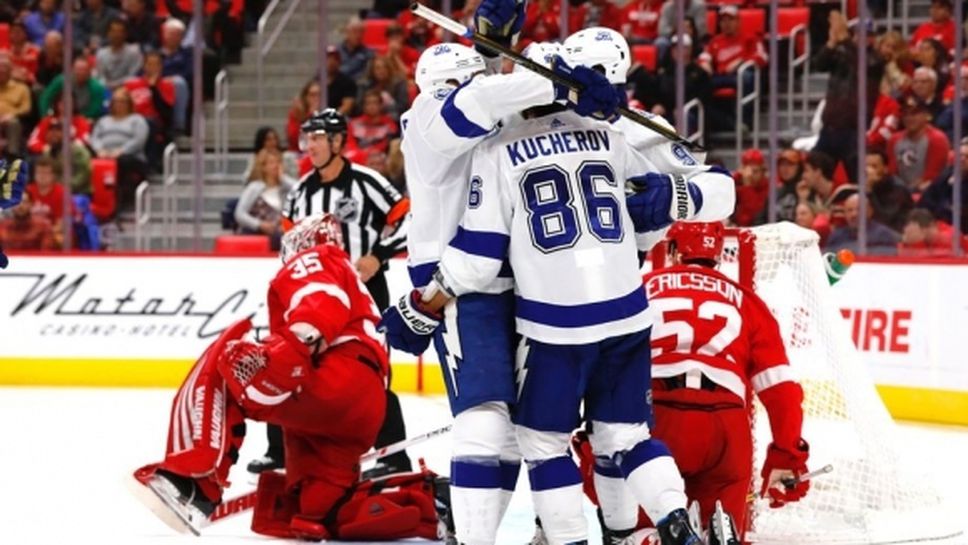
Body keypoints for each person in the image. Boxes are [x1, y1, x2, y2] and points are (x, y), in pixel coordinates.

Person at [380, 38, 733, 543]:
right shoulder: (612, 133)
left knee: (539, 443)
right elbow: (706, 193)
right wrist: (678, 198)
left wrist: (425, 300)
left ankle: (566, 537)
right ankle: (656, 525)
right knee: (622, 437)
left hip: (547, 316)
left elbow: (477, 257)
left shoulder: (502, 145)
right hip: (624, 308)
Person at [381, 19, 624, 541]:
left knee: (522, 430)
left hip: (520, 278)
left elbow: (501, 101)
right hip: (461, 284)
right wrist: (562, 82)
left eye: (470, 78)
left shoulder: (497, 118)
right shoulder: (429, 116)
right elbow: (479, 101)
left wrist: (569, 92)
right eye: (455, 82)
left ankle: (497, 533)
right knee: (485, 417)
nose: (463, 88)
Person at [132, 213, 451, 541]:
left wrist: (291, 348)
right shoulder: (351, 280)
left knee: (228, 366)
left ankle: (193, 483)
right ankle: (435, 503)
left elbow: (320, 303)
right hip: (361, 407)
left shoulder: (318, 258)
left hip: (334, 383)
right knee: (322, 511)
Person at [574, 222, 810, 543]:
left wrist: (595, 438)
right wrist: (786, 455)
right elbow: (781, 390)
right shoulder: (748, 301)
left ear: (672, 250)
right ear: (719, 254)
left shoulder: (640, 287)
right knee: (723, 529)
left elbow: (600, 362)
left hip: (655, 417)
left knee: (636, 523)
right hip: (726, 428)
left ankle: (648, 537)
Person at [249, 109, 412, 480]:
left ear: (338, 141)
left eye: (317, 138)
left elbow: (408, 219)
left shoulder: (368, 182)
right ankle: (280, 452)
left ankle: (393, 456)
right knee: (291, 362)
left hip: (363, 293)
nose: (310, 145)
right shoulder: (301, 191)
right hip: (314, 297)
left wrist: (378, 255)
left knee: (371, 371)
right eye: (307, 138)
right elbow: (288, 246)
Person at [234, 149, 296, 249]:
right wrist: (260, 224)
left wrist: (283, 178)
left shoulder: (285, 188)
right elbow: (239, 214)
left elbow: (301, 190)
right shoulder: (254, 187)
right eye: (271, 163)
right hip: (255, 231)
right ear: (263, 167)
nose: (276, 166)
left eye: (278, 162)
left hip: (278, 231)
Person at [825, 191, 900, 256]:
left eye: (859, 209)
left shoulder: (883, 235)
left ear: (870, 211)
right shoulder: (836, 236)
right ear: (845, 214)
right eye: (849, 210)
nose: (854, 214)